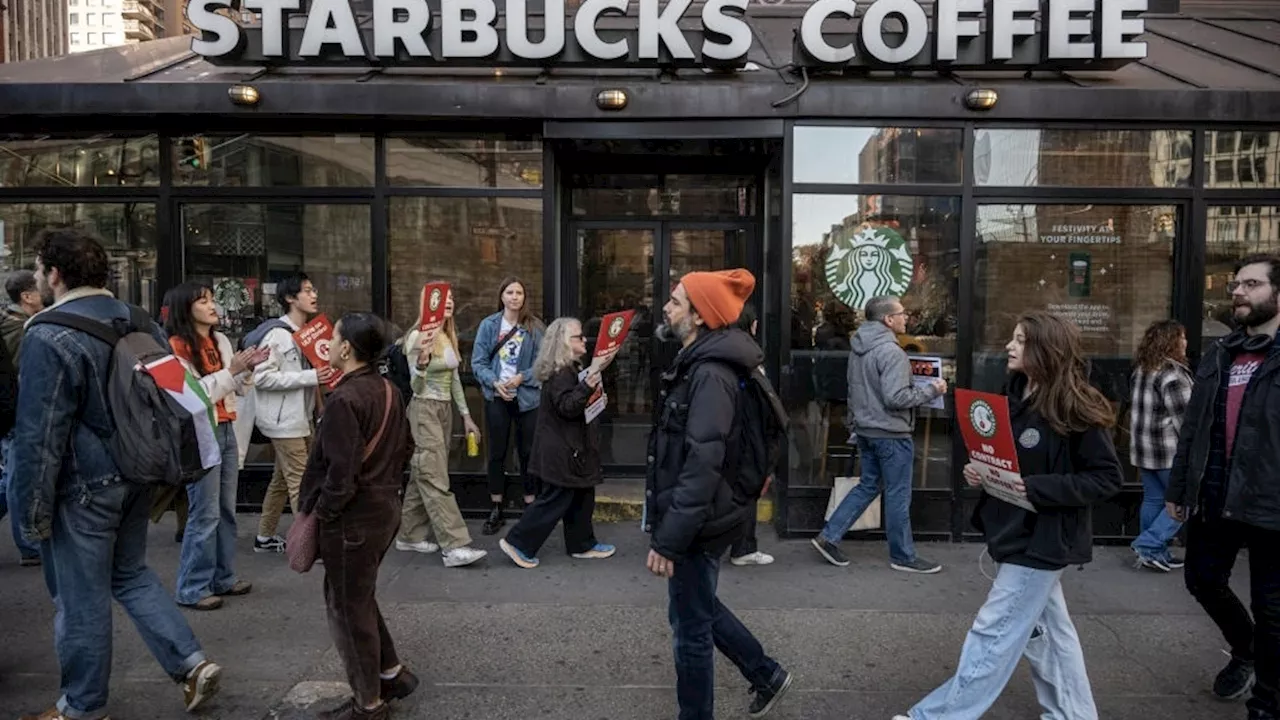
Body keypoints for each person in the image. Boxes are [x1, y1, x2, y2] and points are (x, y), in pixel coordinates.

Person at [11, 229, 223, 719]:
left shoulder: (47, 332)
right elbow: (178, 394)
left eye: (41, 270)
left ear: (55, 274)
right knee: (129, 574)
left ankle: (81, 706)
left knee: (79, 598)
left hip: (82, 485)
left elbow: (39, 435)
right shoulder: (137, 319)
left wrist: (30, 511)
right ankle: (192, 664)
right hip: (138, 471)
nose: (40, 278)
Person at [894, 311, 1121, 720]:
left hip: (1043, 538)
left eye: (1020, 340)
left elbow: (1105, 479)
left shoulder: (1078, 406)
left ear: (1044, 348)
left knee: (993, 632)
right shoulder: (1013, 396)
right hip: (1013, 530)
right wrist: (981, 471)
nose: (1009, 346)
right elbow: (1008, 460)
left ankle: (936, 717)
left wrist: (1033, 489)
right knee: (1050, 634)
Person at [645, 269, 793, 720]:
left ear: (699, 316)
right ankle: (766, 673)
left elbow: (702, 463)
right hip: (700, 514)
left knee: (689, 629)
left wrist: (669, 538)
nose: (666, 308)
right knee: (698, 604)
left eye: (675, 301)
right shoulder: (700, 364)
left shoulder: (710, 374)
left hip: (698, 520)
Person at [1167, 254, 1280, 717]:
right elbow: (1192, 427)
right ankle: (1247, 649)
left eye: (1251, 284)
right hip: (1214, 494)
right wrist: (1178, 488)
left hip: (1270, 502)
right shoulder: (1221, 353)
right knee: (1202, 579)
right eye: (1236, 284)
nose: (1237, 291)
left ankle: (1267, 703)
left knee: (1272, 608)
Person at [299, 312, 417, 720]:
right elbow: (407, 448)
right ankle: (392, 673)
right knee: (359, 597)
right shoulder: (388, 390)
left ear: (346, 348)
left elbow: (340, 475)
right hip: (384, 508)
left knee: (347, 609)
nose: (329, 344)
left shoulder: (344, 400)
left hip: (353, 519)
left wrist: (324, 513)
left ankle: (368, 703)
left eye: (333, 338)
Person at [811, 294, 945, 574]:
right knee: (898, 494)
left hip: (866, 429)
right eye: (901, 313)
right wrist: (932, 390)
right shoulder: (892, 352)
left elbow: (853, 390)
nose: (906, 317)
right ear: (888, 319)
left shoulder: (858, 348)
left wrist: (855, 425)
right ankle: (904, 556)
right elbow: (896, 398)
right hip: (891, 433)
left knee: (869, 485)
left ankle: (829, 536)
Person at [164, 282, 266, 610]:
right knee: (204, 513)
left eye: (211, 300)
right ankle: (192, 586)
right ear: (185, 308)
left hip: (225, 428)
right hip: (198, 434)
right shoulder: (171, 349)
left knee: (225, 509)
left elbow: (235, 388)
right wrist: (232, 371)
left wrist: (246, 370)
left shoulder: (220, 340)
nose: (212, 306)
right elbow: (188, 398)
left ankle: (223, 576)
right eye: (203, 300)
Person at [498, 317, 616, 568]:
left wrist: (594, 399)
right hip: (563, 449)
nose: (585, 340)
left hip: (569, 447)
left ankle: (582, 544)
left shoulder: (568, 369)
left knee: (582, 494)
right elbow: (567, 407)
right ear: (564, 342)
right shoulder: (562, 372)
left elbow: (574, 405)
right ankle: (518, 542)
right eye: (579, 337)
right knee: (555, 500)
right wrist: (588, 386)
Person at [395, 284, 487, 568]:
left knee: (423, 473)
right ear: (427, 304)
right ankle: (455, 545)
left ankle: (409, 535)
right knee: (435, 477)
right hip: (424, 409)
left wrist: (467, 416)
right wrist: (422, 364)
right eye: (441, 299)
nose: (448, 303)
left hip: (443, 408)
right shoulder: (416, 337)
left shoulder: (448, 335)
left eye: (450, 299)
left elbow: (455, 380)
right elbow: (415, 386)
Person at [250, 274, 338, 553]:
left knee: (281, 478)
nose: (314, 295)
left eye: (314, 290)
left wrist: (319, 403)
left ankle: (264, 536)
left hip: (302, 418)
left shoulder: (308, 334)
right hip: (283, 421)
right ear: (290, 298)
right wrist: (308, 376)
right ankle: (309, 543)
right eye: (307, 291)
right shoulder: (277, 334)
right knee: (303, 483)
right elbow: (262, 378)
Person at [470, 276, 543, 535]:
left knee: (528, 453)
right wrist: (495, 383)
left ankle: (530, 505)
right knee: (497, 453)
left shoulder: (534, 327)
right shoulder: (489, 326)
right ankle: (496, 506)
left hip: (527, 398)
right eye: (510, 292)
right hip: (497, 397)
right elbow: (478, 362)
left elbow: (542, 364)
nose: (515, 297)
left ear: (525, 298)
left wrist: (522, 377)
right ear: (501, 296)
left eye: (519, 293)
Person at [1129, 319, 1192, 572]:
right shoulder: (1173, 375)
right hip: (1169, 453)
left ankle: (1154, 552)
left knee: (1154, 500)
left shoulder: (1142, 370)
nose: (1185, 342)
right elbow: (1187, 422)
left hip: (1144, 450)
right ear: (1170, 342)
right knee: (1184, 503)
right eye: (1181, 337)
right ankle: (1149, 545)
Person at [0, 269, 45, 566]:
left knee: (11, 478)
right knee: (17, 480)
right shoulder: (23, 330)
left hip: (13, 412)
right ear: (27, 296)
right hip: (18, 412)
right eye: (39, 287)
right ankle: (28, 545)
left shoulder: (13, 326)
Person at [727, 305, 774, 567]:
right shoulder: (749, 354)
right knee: (746, 488)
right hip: (747, 432)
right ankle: (743, 547)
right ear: (753, 325)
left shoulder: (719, 348)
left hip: (727, 430)